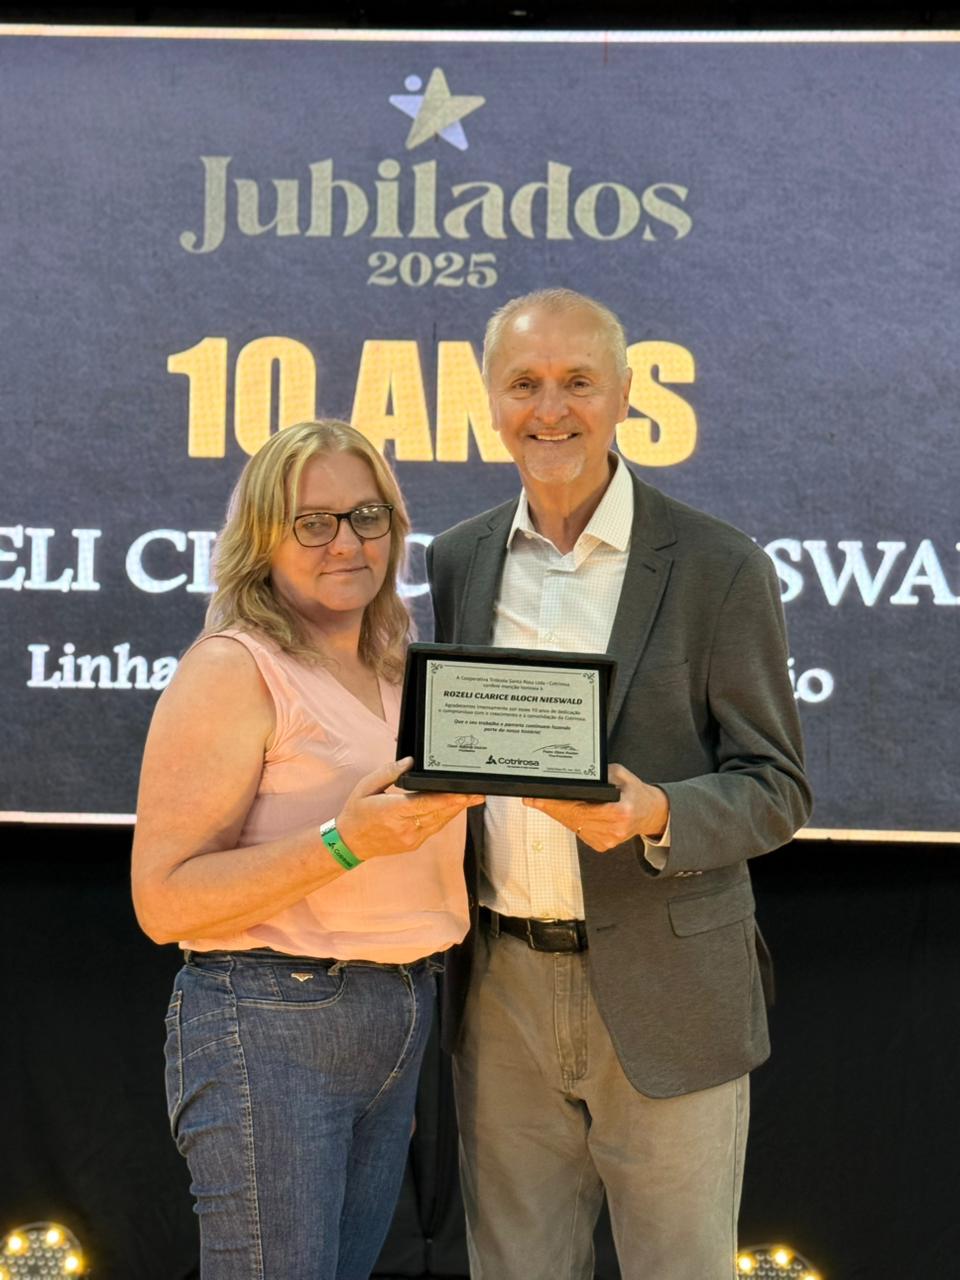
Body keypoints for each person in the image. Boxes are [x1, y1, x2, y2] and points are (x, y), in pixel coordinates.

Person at [427, 289, 813, 1280]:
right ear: (489, 399)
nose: (550, 409)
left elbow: (777, 786)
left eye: (577, 382)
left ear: (626, 395)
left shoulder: (719, 565)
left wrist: (657, 812)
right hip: (500, 991)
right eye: (524, 383)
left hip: (669, 989)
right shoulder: (460, 558)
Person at [131, 420, 482, 1280]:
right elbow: (164, 901)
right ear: (262, 539)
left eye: (367, 516)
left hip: (400, 1011)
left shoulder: (404, 669)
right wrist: (341, 844)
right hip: (270, 1022)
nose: (347, 543)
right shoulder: (233, 668)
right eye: (313, 522)